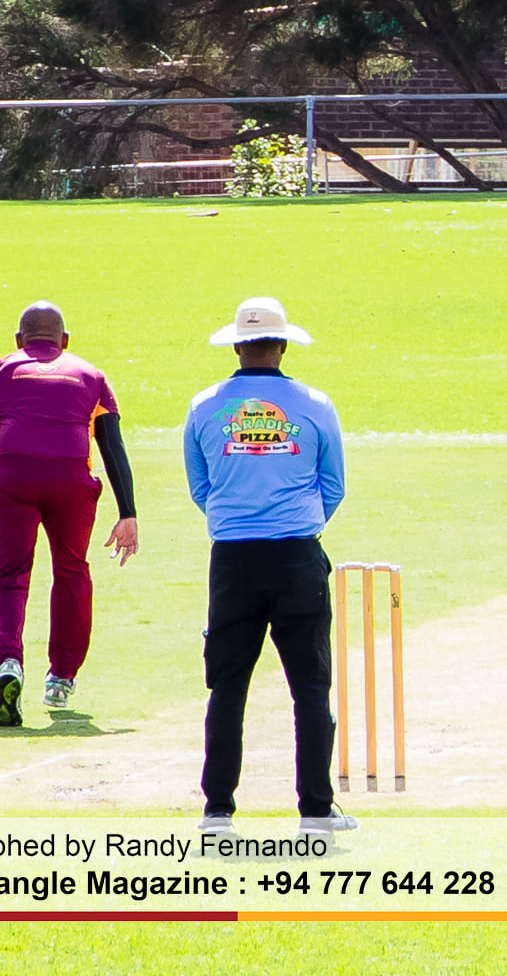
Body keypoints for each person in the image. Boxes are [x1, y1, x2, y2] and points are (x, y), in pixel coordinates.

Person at [185, 296, 352, 837]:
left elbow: (201, 488)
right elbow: (334, 487)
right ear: (281, 346)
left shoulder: (205, 406)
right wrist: (296, 520)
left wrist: (237, 518)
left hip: (232, 559)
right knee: (310, 687)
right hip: (297, 556)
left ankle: (217, 812)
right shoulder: (315, 405)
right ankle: (316, 811)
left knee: (228, 686)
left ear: (237, 345)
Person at [0, 301, 139, 728]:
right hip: (71, 483)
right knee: (71, 571)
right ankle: (60, 678)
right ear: (64, 341)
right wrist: (129, 513)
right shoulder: (91, 376)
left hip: (11, 480)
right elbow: (112, 447)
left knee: (9, 577)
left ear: (19, 340)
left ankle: (9, 663)